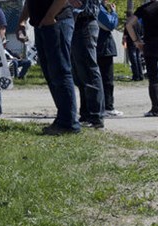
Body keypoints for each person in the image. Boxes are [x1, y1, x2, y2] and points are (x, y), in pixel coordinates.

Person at [18, 0, 80, 135]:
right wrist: (22, 21)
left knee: (60, 71)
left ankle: (69, 123)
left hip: (57, 21)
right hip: (42, 25)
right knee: (51, 73)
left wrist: (50, 16)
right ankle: (63, 119)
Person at [70, 0, 105, 129]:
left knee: (89, 70)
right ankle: (85, 114)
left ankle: (96, 116)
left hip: (85, 21)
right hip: (76, 23)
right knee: (79, 73)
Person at [96, 0, 122, 117]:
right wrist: (114, 13)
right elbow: (110, 24)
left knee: (98, 79)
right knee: (107, 79)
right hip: (103, 48)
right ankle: (108, 107)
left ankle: (99, 106)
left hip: (97, 47)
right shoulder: (99, 9)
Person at [123, 11, 144, 81]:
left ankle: (136, 76)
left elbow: (125, 35)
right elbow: (141, 32)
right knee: (138, 59)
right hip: (139, 42)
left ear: (128, 16)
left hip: (131, 42)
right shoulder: (138, 23)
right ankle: (141, 75)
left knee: (133, 59)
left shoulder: (128, 24)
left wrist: (124, 41)